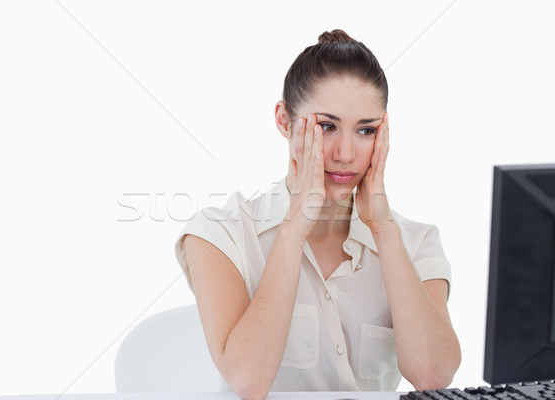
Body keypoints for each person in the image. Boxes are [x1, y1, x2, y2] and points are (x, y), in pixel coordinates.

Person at [175, 29, 461, 399]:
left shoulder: (415, 242)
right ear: (284, 120)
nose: (345, 153)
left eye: (365, 130)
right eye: (327, 127)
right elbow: (248, 381)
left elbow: (434, 376)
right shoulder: (219, 234)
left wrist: (383, 229)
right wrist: (293, 229)